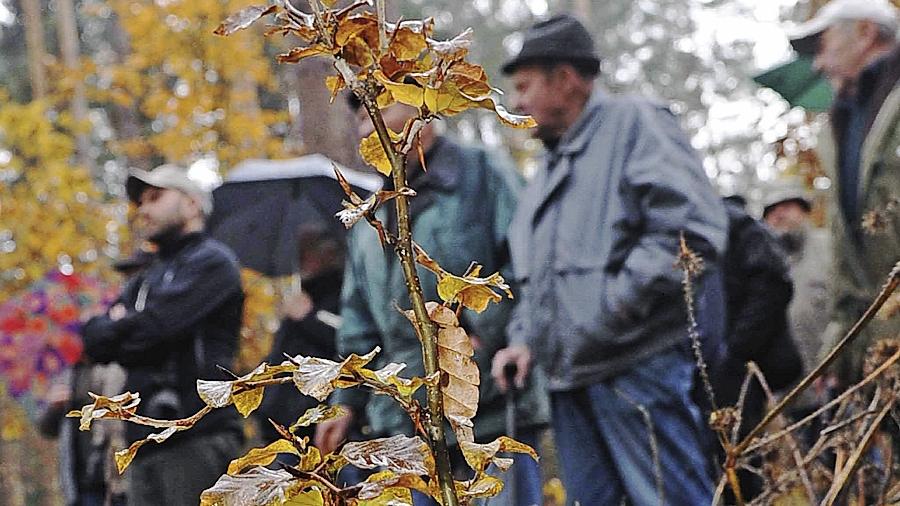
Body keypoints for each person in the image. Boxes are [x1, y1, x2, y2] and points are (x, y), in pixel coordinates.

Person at [491, 14, 727, 505]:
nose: (515, 102)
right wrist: (523, 341)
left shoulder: (634, 124)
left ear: (566, 80)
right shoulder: (546, 171)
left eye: (524, 86)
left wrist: (610, 310)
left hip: (636, 367)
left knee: (669, 500)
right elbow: (538, 281)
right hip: (568, 379)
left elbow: (690, 231)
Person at [315, 96, 549, 506]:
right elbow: (357, 323)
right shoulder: (368, 218)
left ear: (423, 111)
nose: (367, 128)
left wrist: (492, 337)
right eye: (359, 119)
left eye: (381, 111)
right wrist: (345, 404)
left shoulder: (483, 173)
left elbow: (530, 264)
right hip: (406, 419)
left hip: (492, 399)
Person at [82, 165, 245, 506]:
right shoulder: (144, 278)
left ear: (191, 204)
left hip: (197, 434)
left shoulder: (214, 261)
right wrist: (124, 329)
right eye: (140, 202)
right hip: (143, 443)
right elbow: (95, 340)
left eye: (155, 197)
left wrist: (123, 328)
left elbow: (155, 328)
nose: (143, 209)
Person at [788, 0, 900, 381]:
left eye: (823, 43)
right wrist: (835, 353)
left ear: (866, 32)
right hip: (877, 354)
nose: (818, 64)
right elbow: (847, 255)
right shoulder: (841, 126)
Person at [38, 249, 153, 506]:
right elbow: (46, 427)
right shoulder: (69, 369)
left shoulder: (123, 354)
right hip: (82, 480)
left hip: (121, 476)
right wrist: (56, 407)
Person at [253, 224, 345, 443]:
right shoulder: (299, 294)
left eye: (311, 252)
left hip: (316, 423)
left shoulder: (342, 296)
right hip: (277, 420)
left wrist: (307, 317)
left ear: (330, 255)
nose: (303, 259)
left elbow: (347, 345)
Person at [763, 189, 832, 376]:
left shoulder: (830, 247)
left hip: (836, 372)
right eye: (771, 211)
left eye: (786, 206)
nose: (778, 215)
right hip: (788, 385)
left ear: (804, 211)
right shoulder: (763, 264)